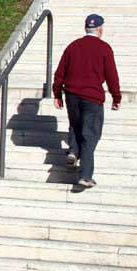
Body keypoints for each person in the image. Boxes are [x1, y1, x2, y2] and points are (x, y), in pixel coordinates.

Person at [52, 14, 122, 190]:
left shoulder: (73, 47)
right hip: (92, 97)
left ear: (86, 29)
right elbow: (111, 75)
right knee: (90, 134)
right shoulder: (104, 48)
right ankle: (85, 175)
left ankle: (74, 151)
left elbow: (60, 72)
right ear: (100, 30)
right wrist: (116, 96)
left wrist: (57, 94)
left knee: (75, 125)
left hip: (71, 95)